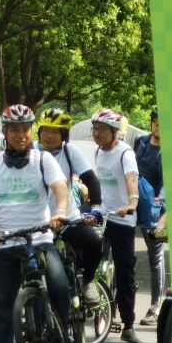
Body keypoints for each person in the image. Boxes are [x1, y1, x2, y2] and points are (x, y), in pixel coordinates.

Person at [0, 104, 70, 343]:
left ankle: (62, 338)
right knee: (2, 306)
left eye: (26, 129)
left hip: (39, 240)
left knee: (60, 286)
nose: (21, 135)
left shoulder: (44, 160)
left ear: (32, 131)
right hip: (4, 243)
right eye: (15, 129)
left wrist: (60, 212)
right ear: (4, 132)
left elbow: (60, 188)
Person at [36, 108, 103, 305]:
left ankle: (87, 282)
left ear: (63, 135)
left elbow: (91, 180)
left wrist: (96, 208)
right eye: (45, 130)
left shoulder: (69, 151)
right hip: (37, 221)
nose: (49, 136)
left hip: (67, 218)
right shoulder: (31, 152)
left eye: (55, 132)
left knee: (94, 241)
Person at [90, 108, 144, 343]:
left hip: (122, 219)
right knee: (90, 260)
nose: (96, 133)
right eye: (94, 129)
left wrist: (132, 203)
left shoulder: (125, 153)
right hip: (102, 216)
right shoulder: (97, 151)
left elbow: (131, 179)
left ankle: (128, 325)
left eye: (101, 129)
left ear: (114, 132)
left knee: (125, 273)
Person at [133, 109, 165, 326]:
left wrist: (159, 204)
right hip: (133, 202)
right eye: (156, 122)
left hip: (154, 209)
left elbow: (168, 183)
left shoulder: (170, 149)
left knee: (155, 256)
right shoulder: (140, 142)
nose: (159, 126)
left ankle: (155, 306)